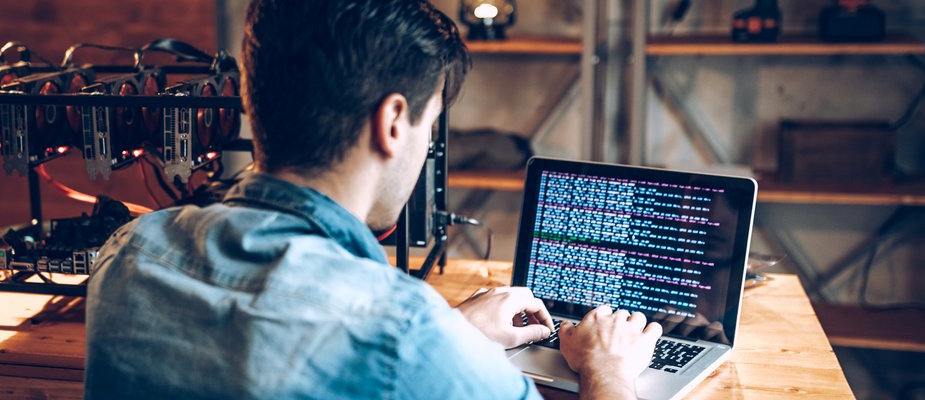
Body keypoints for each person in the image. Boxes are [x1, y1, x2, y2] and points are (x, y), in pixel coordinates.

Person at [85, 0, 661, 398]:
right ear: (392, 123)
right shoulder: (408, 335)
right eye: (430, 124)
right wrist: (608, 369)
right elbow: (379, 342)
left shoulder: (130, 257)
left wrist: (452, 333)